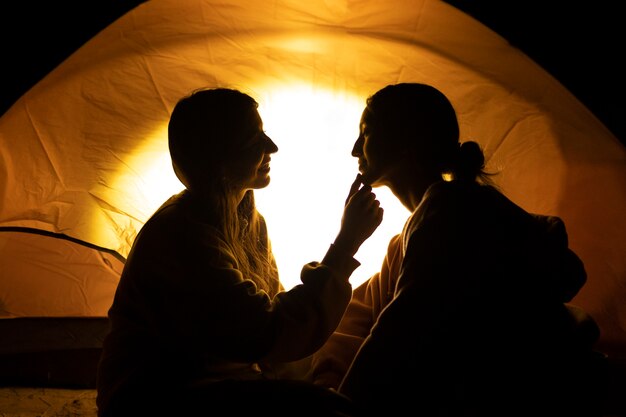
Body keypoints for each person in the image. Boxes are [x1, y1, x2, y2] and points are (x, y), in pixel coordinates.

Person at [308, 83, 606, 416]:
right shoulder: (417, 230)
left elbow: (397, 338)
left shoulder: (449, 216)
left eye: (365, 133)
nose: (354, 150)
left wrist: (336, 413)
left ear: (405, 140)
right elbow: (360, 314)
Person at [95, 87, 383, 417]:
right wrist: (345, 245)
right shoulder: (184, 233)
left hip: (216, 382)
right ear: (221, 155)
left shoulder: (245, 218)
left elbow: (271, 322)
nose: (272, 147)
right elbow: (264, 333)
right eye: (255, 138)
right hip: (155, 397)